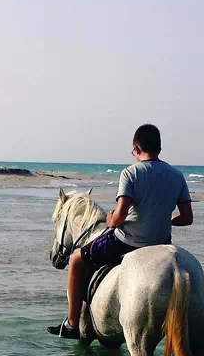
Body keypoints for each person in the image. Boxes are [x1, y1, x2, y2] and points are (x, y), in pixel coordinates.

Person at [48, 123, 193, 338]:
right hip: (161, 243)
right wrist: (162, 218)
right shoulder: (176, 175)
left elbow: (119, 218)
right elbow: (187, 218)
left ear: (136, 149)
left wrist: (110, 218)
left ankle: (71, 324)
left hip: (128, 241)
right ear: (159, 149)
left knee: (77, 259)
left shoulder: (130, 173)